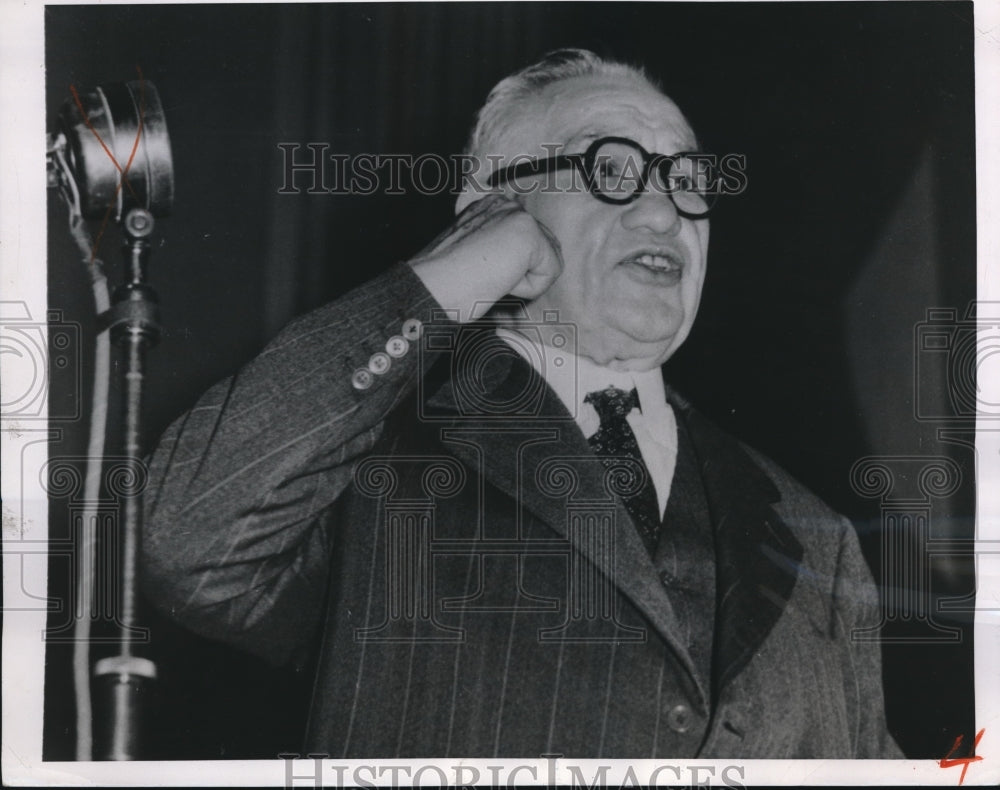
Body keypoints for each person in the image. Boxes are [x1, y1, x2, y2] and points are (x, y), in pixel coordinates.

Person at [142, 48, 903, 758]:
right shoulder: (368, 457)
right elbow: (189, 534)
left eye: (685, 179)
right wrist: (446, 281)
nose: (665, 213)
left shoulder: (816, 533)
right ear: (492, 206)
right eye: (613, 169)